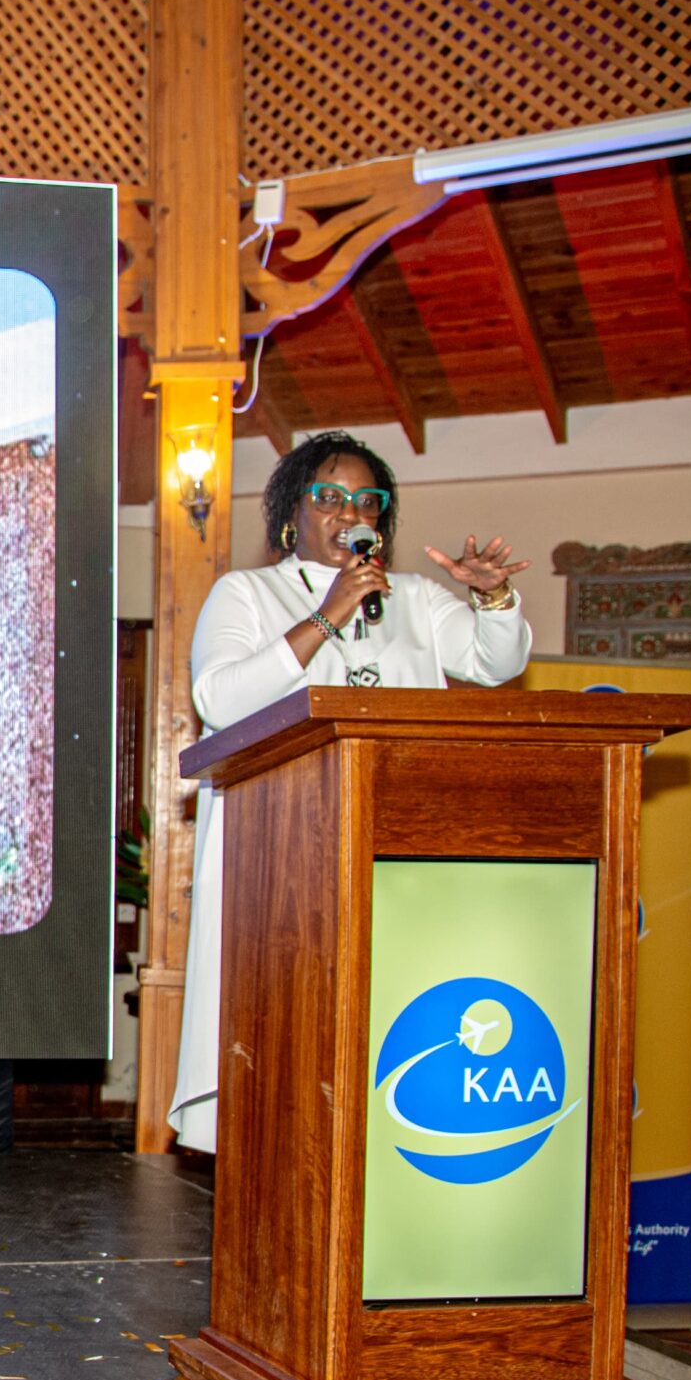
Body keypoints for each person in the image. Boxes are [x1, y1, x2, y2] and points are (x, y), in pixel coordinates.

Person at [167, 431, 532, 1152]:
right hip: (282, 859)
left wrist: (495, 599)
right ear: (290, 515)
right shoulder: (247, 593)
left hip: (397, 846)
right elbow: (219, 699)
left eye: (367, 499)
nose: (349, 510)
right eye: (329, 496)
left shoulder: (418, 600)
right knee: (292, 1033)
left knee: (388, 1027)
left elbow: (496, 664)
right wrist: (327, 616)